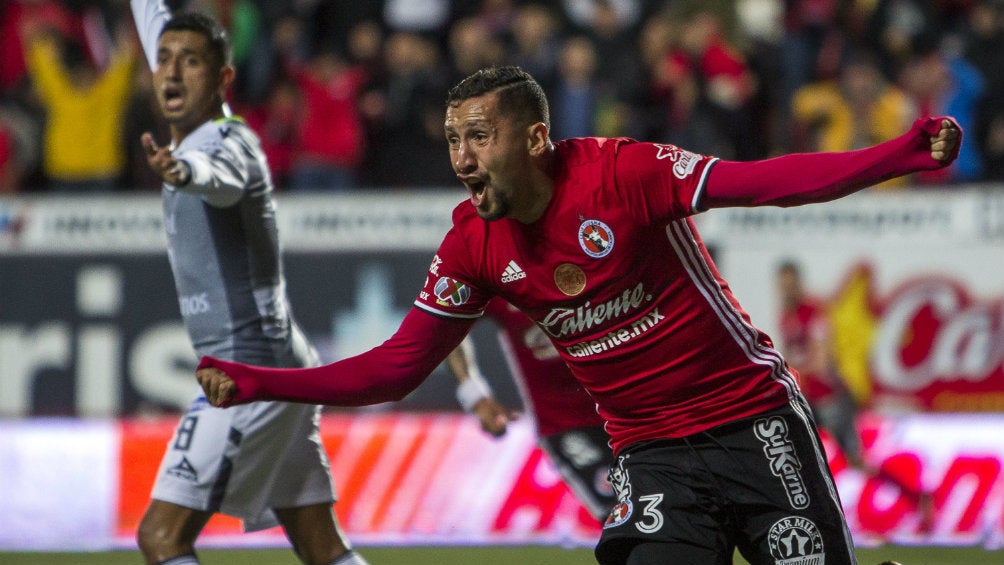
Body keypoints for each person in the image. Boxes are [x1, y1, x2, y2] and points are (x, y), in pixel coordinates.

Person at [196, 66, 961, 565]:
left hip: (753, 421)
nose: (461, 156)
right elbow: (397, 366)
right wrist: (260, 381)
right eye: (453, 139)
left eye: (479, 136)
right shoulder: (471, 246)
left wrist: (899, 154)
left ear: (534, 137)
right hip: (653, 455)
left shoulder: (622, 172)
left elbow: (762, 183)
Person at [129, 1, 368, 564]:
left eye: (190, 62)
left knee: (162, 537)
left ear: (223, 78)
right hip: (277, 363)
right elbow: (151, 18)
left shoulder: (226, 142)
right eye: (163, 59)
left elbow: (221, 180)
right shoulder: (191, 127)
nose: (171, 70)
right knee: (320, 544)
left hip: (248, 368)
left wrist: (184, 173)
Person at [445, 297, 615, 521]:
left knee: (661, 510)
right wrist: (475, 396)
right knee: (623, 516)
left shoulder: (604, 264)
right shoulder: (500, 273)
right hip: (566, 423)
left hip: (635, 410)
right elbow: (447, 325)